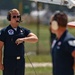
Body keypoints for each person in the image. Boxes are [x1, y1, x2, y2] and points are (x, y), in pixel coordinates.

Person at [0, 8, 38, 75]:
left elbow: (35, 38)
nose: (16, 18)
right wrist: (0, 63)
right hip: (9, 62)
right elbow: (0, 47)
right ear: (9, 18)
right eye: (14, 17)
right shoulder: (4, 31)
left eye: (18, 16)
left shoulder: (23, 30)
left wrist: (23, 39)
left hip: (20, 62)